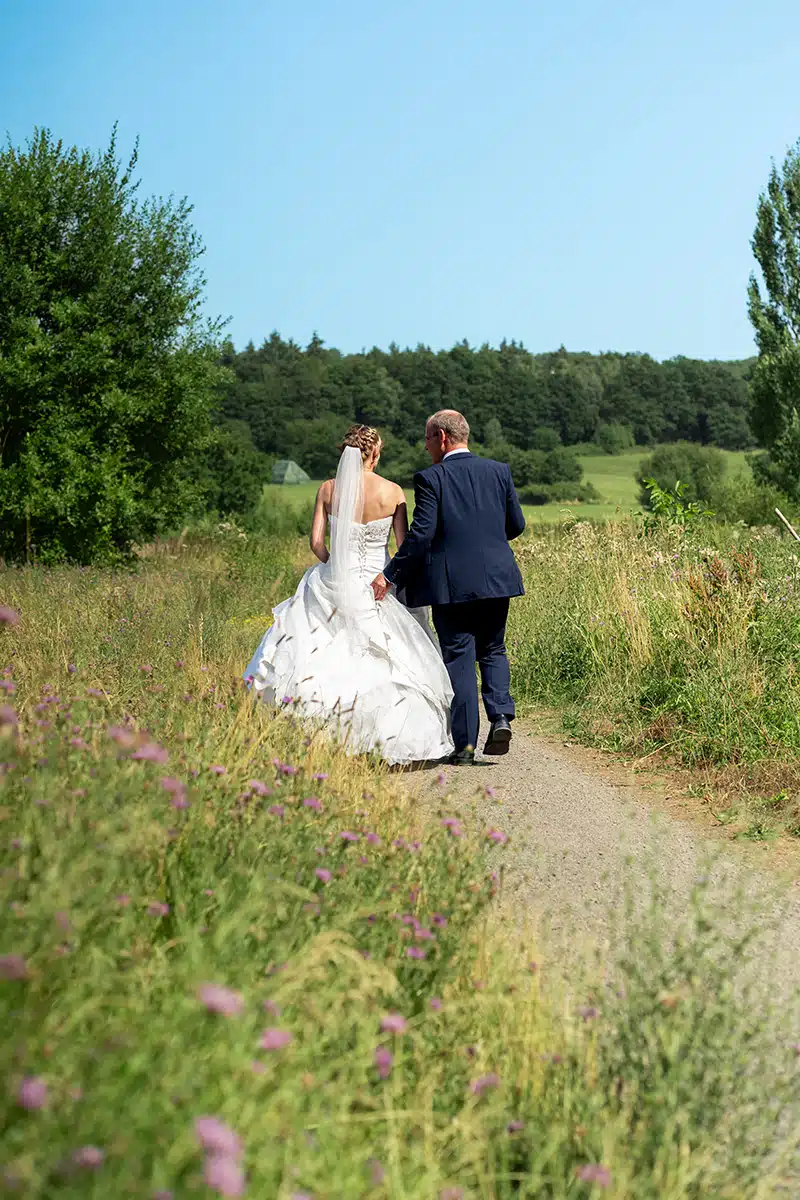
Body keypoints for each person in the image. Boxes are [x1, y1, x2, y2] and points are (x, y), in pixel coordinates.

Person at [244, 425, 454, 765]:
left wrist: (335, 567)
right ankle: (385, 737)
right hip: (378, 583)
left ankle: (322, 737)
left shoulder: (328, 489)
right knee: (385, 659)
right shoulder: (392, 492)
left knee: (320, 652)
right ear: (374, 453)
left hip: (333, 581)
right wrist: (388, 576)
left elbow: (316, 543)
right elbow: (402, 547)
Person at [371, 409, 525, 765]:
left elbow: (421, 535)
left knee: (458, 656)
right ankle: (500, 716)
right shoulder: (499, 471)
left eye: (427, 439)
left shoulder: (430, 478)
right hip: (497, 578)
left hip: (452, 584)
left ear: (441, 437)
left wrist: (390, 574)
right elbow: (516, 524)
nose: (426, 448)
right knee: (493, 649)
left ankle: (466, 746)